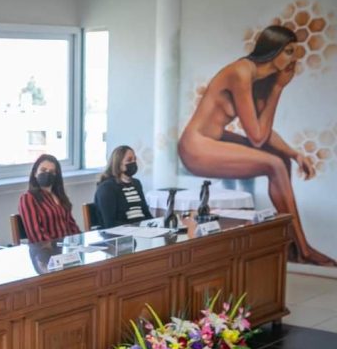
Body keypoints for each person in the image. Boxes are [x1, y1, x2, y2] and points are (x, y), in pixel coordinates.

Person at [178, 25, 336, 266]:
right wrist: (278, 88)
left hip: (215, 139)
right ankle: (304, 250)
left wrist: (294, 154)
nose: (293, 59)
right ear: (273, 50)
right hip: (196, 147)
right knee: (274, 164)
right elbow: (257, 138)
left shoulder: (259, 78)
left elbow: (263, 130)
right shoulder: (241, 72)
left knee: (281, 160)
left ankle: (294, 247)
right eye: (289, 51)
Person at [18, 154, 80, 243]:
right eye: (43, 170)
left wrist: (79, 243)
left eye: (51, 172)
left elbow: (72, 226)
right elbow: (36, 234)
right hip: (46, 252)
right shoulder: (28, 198)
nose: (47, 173)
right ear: (35, 173)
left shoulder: (59, 196)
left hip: (68, 249)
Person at [94, 145, 153, 228]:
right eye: (129, 160)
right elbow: (110, 223)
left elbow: (146, 213)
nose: (133, 162)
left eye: (134, 159)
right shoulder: (107, 188)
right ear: (118, 164)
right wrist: (135, 228)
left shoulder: (136, 183)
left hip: (142, 231)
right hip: (120, 236)